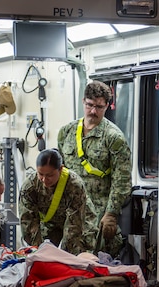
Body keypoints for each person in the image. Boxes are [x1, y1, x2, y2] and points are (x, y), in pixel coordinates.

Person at [57, 81, 132, 256]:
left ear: (107, 106)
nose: (93, 111)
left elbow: (122, 181)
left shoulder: (113, 138)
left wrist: (111, 214)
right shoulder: (66, 132)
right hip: (71, 212)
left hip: (99, 213)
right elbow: (59, 174)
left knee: (95, 261)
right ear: (83, 101)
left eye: (99, 107)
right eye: (90, 105)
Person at [18, 148, 90, 254]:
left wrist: (65, 256)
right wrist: (39, 253)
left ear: (61, 169)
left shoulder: (74, 186)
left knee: (80, 250)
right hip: (48, 225)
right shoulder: (29, 187)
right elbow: (28, 224)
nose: (44, 179)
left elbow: (74, 226)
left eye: (50, 175)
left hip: (79, 221)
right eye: (40, 174)